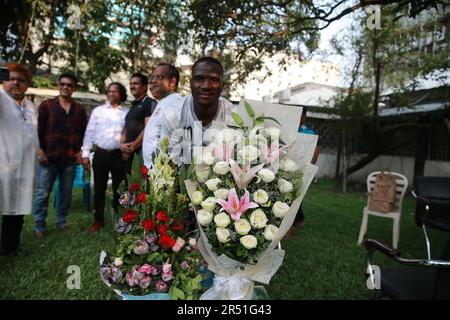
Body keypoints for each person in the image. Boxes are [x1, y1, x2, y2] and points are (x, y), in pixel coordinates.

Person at [33, 72, 88, 238]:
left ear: (74, 88)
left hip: (69, 159)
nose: (65, 87)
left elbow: (84, 133)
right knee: (43, 193)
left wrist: (81, 151)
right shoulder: (47, 106)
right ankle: (39, 225)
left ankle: (62, 221)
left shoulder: (79, 110)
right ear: (59, 85)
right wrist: (39, 151)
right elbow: (36, 130)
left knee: (66, 192)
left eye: (69, 85)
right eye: (63, 84)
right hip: (48, 158)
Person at [159, 57, 235, 163]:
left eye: (214, 80)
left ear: (222, 86)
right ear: (190, 83)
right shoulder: (173, 115)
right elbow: (165, 161)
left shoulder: (233, 117)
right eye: (199, 79)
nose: (206, 86)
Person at [0, 63, 38, 256]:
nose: (15, 83)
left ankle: (10, 248)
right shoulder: (2, 100)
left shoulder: (30, 106)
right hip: (3, 167)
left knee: (17, 210)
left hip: (24, 169)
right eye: (11, 78)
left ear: (27, 85)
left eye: (20, 80)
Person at [81, 82, 128, 233]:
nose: (112, 94)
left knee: (118, 189)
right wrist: (85, 154)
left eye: (115, 91)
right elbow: (89, 133)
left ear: (121, 94)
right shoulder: (98, 111)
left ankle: (118, 221)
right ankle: (98, 221)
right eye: (109, 91)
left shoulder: (126, 113)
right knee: (99, 189)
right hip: (101, 154)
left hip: (118, 156)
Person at [284, 107, 320, 240]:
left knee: (295, 196)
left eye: (301, 115)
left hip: (301, 169)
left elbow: (315, 149)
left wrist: (309, 168)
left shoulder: (309, 133)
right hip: (286, 168)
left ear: (305, 117)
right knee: (290, 195)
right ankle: (299, 220)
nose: (298, 117)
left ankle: (290, 228)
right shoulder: (286, 130)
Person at [142, 63, 182, 167]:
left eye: (158, 77)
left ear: (172, 82)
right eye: (151, 77)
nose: (152, 82)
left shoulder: (174, 103)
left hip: (162, 172)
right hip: (154, 169)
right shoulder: (164, 102)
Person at [120, 73, 157, 174]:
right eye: (131, 83)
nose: (132, 86)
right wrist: (122, 145)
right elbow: (126, 127)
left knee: (138, 187)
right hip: (127, 154)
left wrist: (131, 148)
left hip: (140, 155)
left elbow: (148, 128)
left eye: (136, 83)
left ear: (145, 87)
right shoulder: (133, 105)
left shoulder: (150, 103)